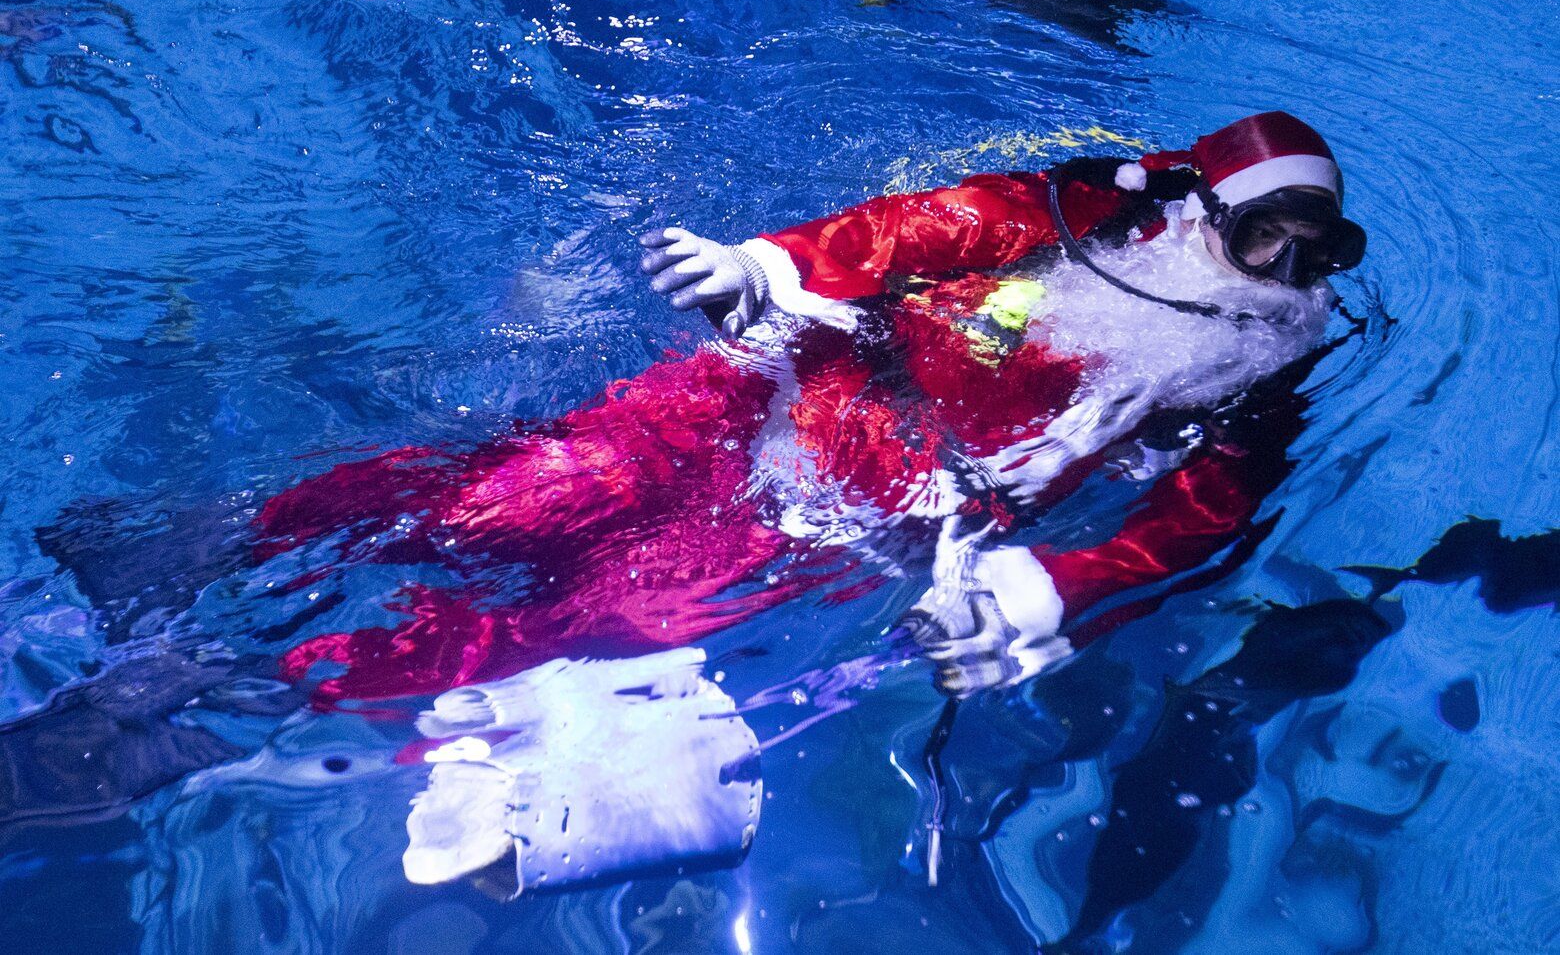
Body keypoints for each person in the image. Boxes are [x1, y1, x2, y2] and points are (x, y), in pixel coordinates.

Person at [262, 110, 1366, 705]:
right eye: (1263, 234)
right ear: (1198, 207)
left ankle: (255, 686)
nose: (1285, 269)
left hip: (867, 504)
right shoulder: (1083, 214)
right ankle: (234, 540)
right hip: (770, 384)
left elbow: (1213, 507)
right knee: (509, 499)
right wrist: (769, 266)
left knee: (610, 623)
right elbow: (928, 226)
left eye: (1321, 249)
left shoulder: (1269, 354)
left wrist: (1060, 585)